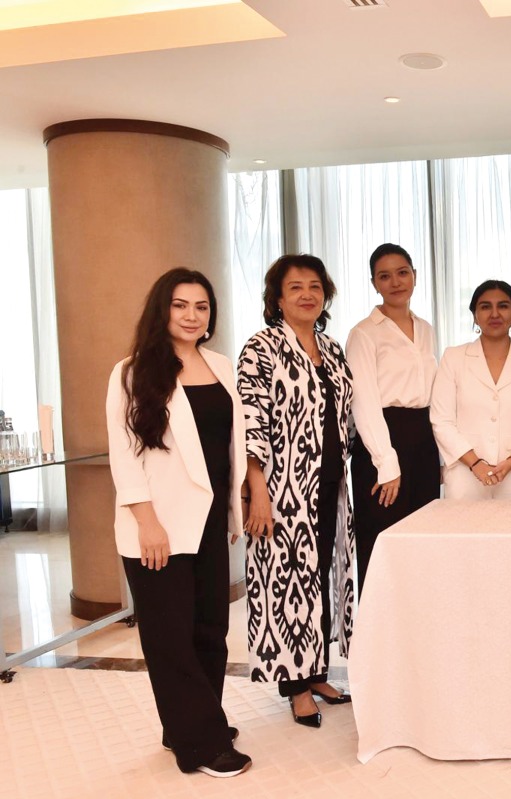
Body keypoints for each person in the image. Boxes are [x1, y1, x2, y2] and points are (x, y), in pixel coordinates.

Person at [105, 268, 251, 777]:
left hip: (211, 521)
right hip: (158, 524)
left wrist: (238, 505)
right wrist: (147, 522)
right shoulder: (132, 372)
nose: (192, 316)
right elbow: (124, 456)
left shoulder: (223, 366)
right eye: (181, 305)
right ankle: (202, 744)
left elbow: (235, 447)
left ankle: (190, 721)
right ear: (162, 310)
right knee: (170, 635)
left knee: (210, 627)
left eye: (202, 307)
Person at [239, 254, 354, 729]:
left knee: (320, 576)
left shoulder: (331, 349)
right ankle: (296, 687)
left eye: (314, 286)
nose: (307, 294)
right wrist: (257, 491)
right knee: (286, 584)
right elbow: (250, 422)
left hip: (328, 483)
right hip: (282, 488)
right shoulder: (261, 348)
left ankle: (318, 670)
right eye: (295, 287)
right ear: (277, 298)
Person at [345, 243, 439, 591]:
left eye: (402, 272)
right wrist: (387, 463)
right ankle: (379, 635)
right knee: (383, 539)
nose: (396, 282)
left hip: (423, 440)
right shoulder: (364, 333)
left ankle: (416, 628)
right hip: (383, 442)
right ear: (374, 283)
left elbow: (432, 393)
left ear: (415, 276)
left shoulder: (425, 328)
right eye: (385, 276)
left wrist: (440, 454)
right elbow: (364, 401)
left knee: (422, 538)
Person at [430, 280, 511, 500]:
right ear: (475, 315)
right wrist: (475, 464)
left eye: (503, 306)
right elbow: (442, 420)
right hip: (465, 476)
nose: (494, 313)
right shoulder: (453, 358)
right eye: (485, 306)